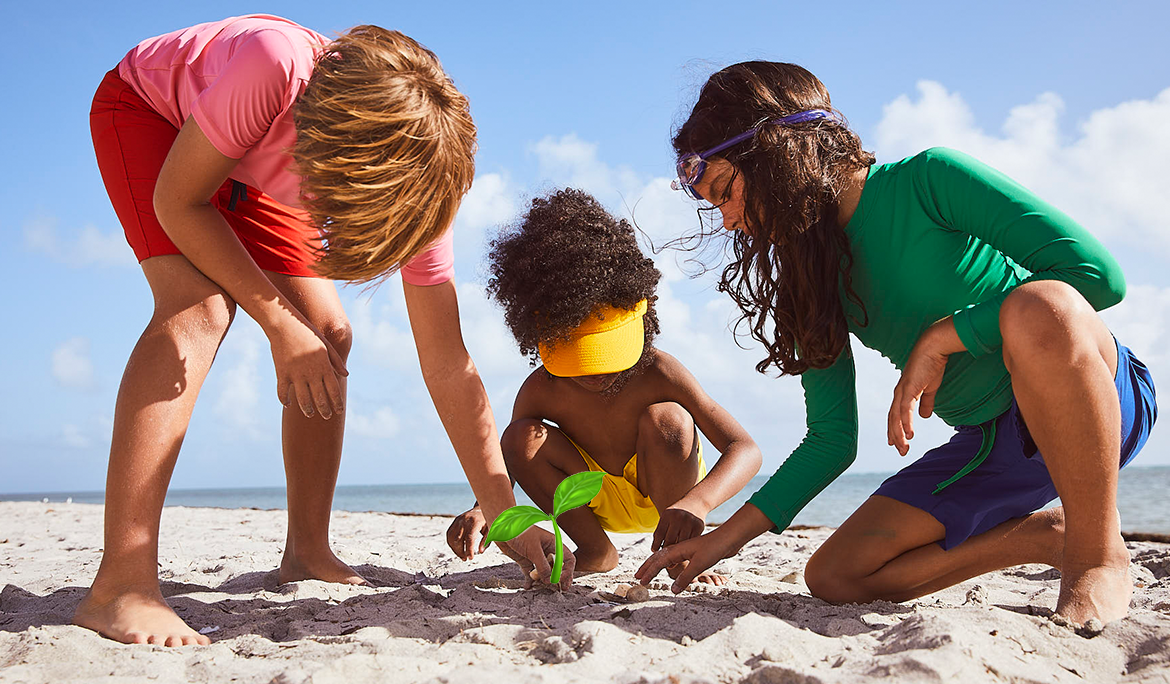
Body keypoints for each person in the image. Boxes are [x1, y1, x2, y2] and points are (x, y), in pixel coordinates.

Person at [78, 14, 565, 647]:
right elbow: (178, 201)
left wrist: (504, 512)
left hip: (262, 157)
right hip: (152, 116)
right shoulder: (272, 65)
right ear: (345, 165)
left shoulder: (422, 191)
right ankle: (121, 583)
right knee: (198, 309)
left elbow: (448, 363)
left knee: (328, 334)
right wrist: (277, 323)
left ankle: (306, 551)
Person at [636, 61, 1157, 626]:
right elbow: (832, 439)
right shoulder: (808, 276)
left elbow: (1097, 276)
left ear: (775, 150)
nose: (728, 219)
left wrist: (946, 336)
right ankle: (1045, 536)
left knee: (1044, 305)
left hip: (1098, 396)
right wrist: (725, 539)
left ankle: (1096, 553)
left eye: (726, 191)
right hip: (998, 447)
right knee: (835, 576)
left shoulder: (928, 180)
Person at [445, 189, 761, 581]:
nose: (596, 372)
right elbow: (508, 463)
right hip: (589, 498)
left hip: (668, 498)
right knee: (519, 437)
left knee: (669, 418)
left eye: (606, 354)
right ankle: (597, 551)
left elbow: (744, 449)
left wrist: (699, 503)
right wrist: (484, 508)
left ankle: (678, 558)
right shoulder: (542, 388)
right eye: (581, 357)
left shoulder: (660, 371)